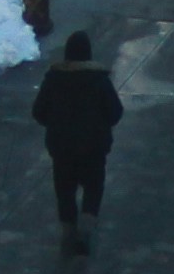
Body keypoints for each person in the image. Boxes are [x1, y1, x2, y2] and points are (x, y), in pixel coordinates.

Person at [34, 31, 123, 247]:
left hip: (62, 148)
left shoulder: (53, 79)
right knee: (93, 187)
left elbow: (38, 111)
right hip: (94, 147)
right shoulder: (100, 80)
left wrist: (56, 125)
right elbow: (115, 112)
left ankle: (68, 228)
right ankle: (86, 226)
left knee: (64, 189)